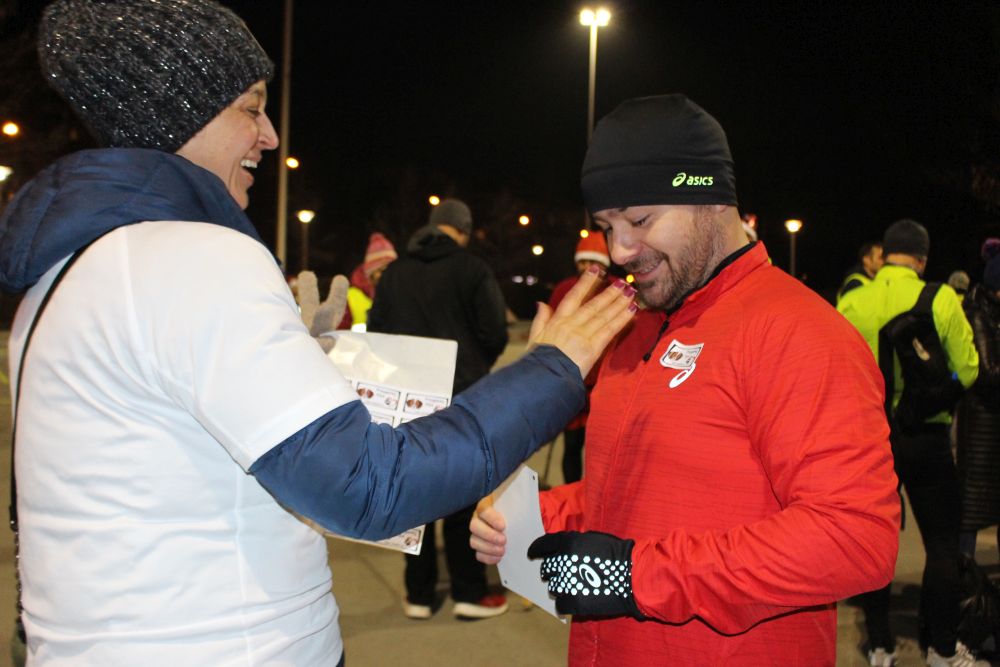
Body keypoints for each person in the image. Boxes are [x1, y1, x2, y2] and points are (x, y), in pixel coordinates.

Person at [0, 2, 636, 664]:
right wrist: (552, 369)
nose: (270, 135)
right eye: (250, 108)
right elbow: (372, 486)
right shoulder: (192, 257)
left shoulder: (69, 270)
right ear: (176, 116)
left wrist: (289, 358)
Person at [471, 94, 900, 666]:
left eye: (640, 220)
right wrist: (539, 518)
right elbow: (638, 491)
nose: (619, 250)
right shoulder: (634, 327)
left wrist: (633, 576)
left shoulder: (797, 330)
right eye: (606, 227)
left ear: (712, 199)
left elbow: (854, 538)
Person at [838, 219, 982, 667]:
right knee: (941, 544)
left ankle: (880, 646)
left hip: (870, 439)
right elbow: (969, 368)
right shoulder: (939, 297)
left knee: (873, 542)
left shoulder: (852, 301)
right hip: (928, 438)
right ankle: (941, 650)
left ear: (884, 256)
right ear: (921, 258)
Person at [367, 198, 514, 620]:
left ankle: (419, 593)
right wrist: (474, 366)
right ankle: (469, 591)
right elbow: (494, 330)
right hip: (462, 395)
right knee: (463, 492)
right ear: (462, 231)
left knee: (414, 489)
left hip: (409, 397)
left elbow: (377, 333)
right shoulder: (472, 269)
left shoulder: (396, 272)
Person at [547, 232, 612, 483]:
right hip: (572, 381)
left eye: (593, 262)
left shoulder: (615, 290)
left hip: (603, 384)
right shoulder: (565, 290)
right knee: (572, 445)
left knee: (600, 449)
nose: (587, 268)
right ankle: (570, 492)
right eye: (583, 262)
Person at [956, 240, 1000, 559]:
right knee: (971, 506)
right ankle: (964, 573)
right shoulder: (978, 312)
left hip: (993, 421)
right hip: (982, 425)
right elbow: (987, 371)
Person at [343, 231, 397, 330]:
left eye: (390, 269)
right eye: (380, 270)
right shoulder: (350, 298)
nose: (386, 274)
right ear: (370, 273)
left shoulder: (399, 294)